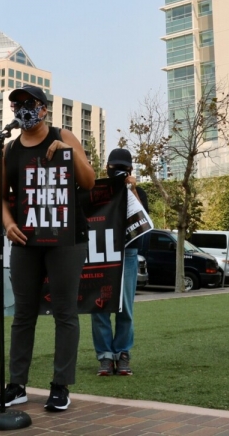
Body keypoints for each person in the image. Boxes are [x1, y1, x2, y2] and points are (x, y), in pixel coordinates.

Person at [0, 86, 95, 412]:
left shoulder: (64, 136)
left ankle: (60, 386)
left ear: (43, 109)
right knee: (23, 314)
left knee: (64, 312)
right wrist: (8, 224)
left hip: (66, 239)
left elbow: (89, 181)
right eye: (15, 104)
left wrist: (69, 152)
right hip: (27, 240)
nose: (21, 109)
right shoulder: (9, 149)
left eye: (27, 104)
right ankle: (17, 385)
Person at [91, 148, 148, 376]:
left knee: (126, 307)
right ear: (106, 168)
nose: (117, 172)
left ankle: (122, 353)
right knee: (99, 306)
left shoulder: (137, 191)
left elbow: (141, 220)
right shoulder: (97, 190)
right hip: (102, 252)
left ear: (131, 170)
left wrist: (131, 188)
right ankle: (105, 356)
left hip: (128, 252)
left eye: (122, 168)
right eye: (114, 168)